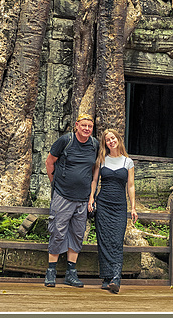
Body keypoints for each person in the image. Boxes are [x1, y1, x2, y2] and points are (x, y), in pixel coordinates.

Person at [44, 114, 99, 288]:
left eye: (90, 126)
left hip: (83, 198)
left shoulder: (94, 144)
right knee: (58, 231)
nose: (87, 129)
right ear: (76, 125)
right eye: (83, 125)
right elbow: (49, 162)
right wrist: (56, 184)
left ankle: (71, 272)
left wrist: (91, 196)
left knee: (77, 233)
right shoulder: (65, 141)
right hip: (63, 195)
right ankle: (51, 271)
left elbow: (93, 170)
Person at [88, 128, 138, 294]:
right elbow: (94, 181)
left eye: (113, 138)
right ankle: (107, 277)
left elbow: (130, 186)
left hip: (119, 206)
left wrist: (133, 207)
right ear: (105, 143)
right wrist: (91, 199)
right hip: (103, 205)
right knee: (104, 241)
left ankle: (116, 277)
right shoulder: (101, 160)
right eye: (107, 139)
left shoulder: (127, 162)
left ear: (118, 139)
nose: (111, 141)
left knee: (116, 241)